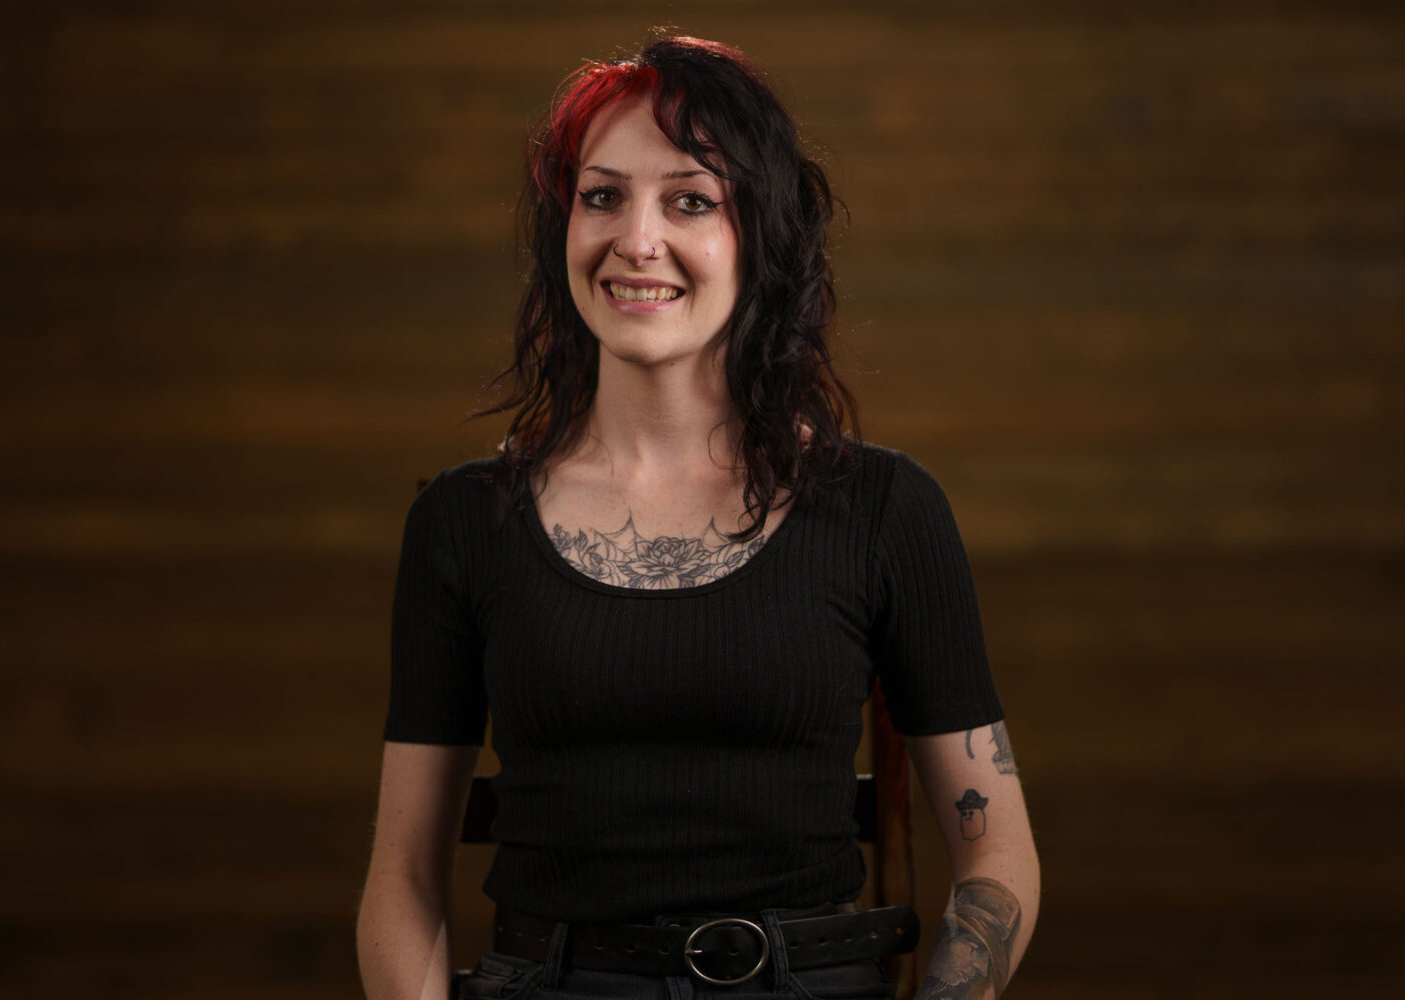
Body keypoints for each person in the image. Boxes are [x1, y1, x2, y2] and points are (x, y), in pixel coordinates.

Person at [357, 35, 1039, 1000]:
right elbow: (402, 882)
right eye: (602, 196)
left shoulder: (885, 511)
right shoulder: (464, 524)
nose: (637, 239)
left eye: (691, 200)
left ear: (760, 236)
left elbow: (998, 864)